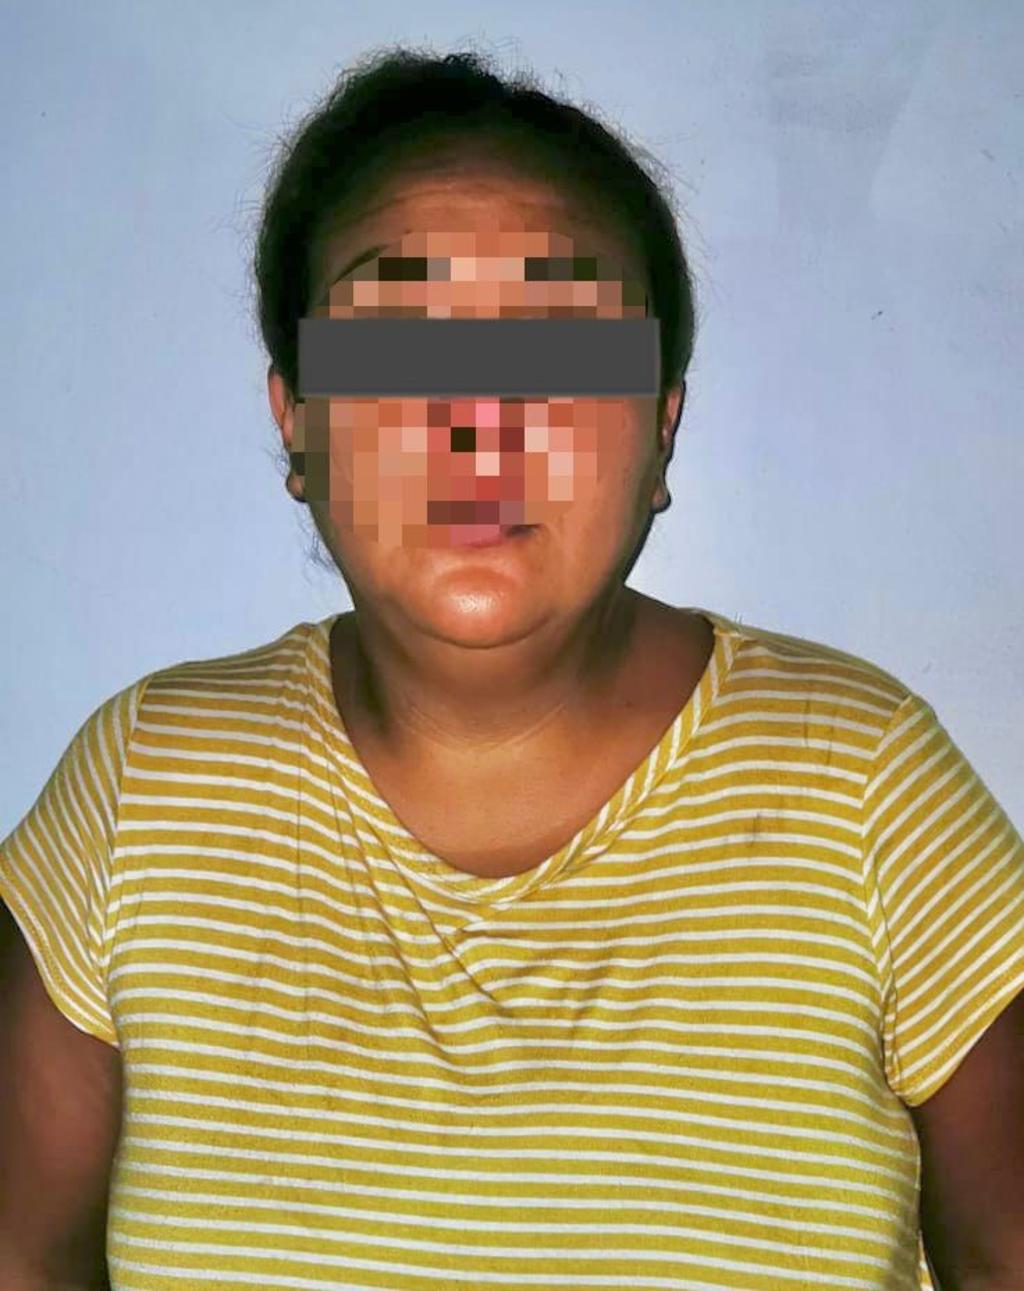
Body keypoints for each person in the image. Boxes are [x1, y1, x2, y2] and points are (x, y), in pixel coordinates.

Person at [2, 46, 1023, 1291]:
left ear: (659, 427)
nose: (477, 421)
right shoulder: (144, 790)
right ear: (298, 424)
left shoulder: (859, 783)